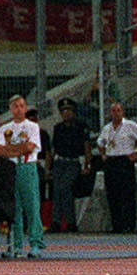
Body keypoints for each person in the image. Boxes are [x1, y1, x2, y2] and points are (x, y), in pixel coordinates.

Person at [0, 94, 45, 257]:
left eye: (21, 106)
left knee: (32, 205)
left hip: (27, 166)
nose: (19, 109)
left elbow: (30, 147)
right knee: (14, 207)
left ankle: (35, 243)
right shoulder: (5, 129)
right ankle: (15, 244)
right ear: (11, 109)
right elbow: (1, 150)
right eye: (15, 106)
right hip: (11, 168)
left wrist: (14, 149)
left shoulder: (32, 127)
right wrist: (19, 148)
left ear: (25, 108)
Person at [96, 100, 137, 232]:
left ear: (122, 112)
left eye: (118, 110)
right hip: (111, 161)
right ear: (110, 113)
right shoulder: (107, 128)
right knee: (112, 195)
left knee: (127, 195)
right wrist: (103, 154)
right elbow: (100, 142)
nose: (116, 113)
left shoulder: (130, 125)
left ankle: (129, 225)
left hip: (125, 161)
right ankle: (117, 225)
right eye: (113, 111)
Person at [48, 99, 90, 234]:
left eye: (69, 111)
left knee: (65, 188)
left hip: (73, 162)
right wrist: (49, 167)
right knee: (56, 191)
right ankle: (56, 222)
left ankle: (71, 222)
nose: (66, 113)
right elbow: (53, 148)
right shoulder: (58, 128)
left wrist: (87, 165)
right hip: (59, 162)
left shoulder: (80, 126)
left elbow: (86, 147)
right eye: (63, 111)